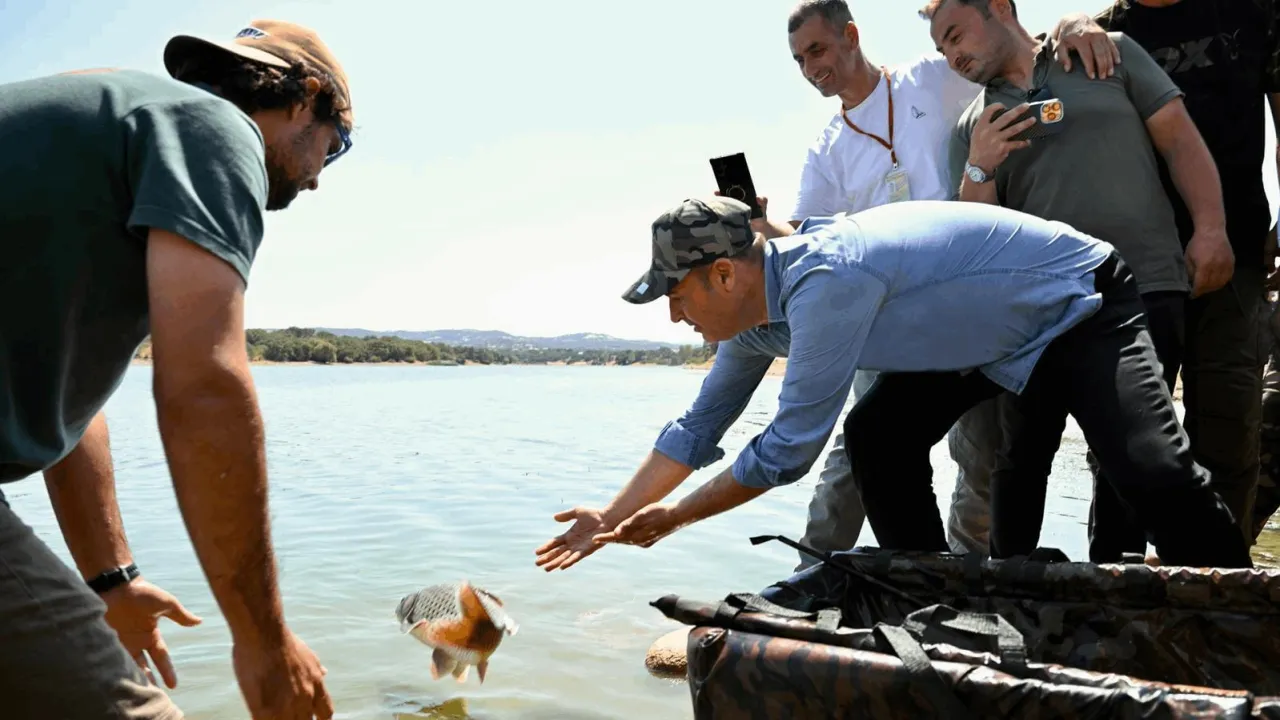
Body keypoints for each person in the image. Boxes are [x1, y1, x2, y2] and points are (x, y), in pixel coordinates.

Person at [534, 195, 1254, 573]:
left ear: (724, 274)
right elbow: (698, 428)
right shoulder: (752, 325)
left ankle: (1247, 615)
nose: (673, 315)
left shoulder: (826, 281)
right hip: (978, 340)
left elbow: (787, 450)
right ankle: (933, 592)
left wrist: (676, 518)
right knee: (877, 436)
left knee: (1151, 472)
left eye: (677, 295)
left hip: (1077, 301)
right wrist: (610, 515)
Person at [0, 19, 353, 720]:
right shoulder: (212, 127)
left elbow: (69, 407)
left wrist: (113, 580)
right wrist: (264, 642)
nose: (317, 179)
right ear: (304, 98)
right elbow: (206, 387)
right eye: (334, 145)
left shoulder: (109, 125)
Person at [738, 0, 1122, 568]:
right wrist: (758, 223)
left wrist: (1077, 24)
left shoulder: (934, 77)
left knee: (982, 455)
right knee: (859, 449)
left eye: (817, 50)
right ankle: (813, 576)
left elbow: (1012, 48)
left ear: (851, 35)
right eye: (798, 60)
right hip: (881, 318)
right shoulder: (826, 150)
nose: (810, 68)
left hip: (969, 305)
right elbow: (802, 241)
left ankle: (969, 581)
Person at [929, 0, 1235, 560]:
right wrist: (980, 166)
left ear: (998, 7)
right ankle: (1009, 587)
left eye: (955, 34)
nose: (952, 56)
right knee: (1021, 459)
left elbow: (1179, 141)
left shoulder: (1106, 53)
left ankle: (1115, 589)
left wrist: (1211, 228)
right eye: (941, 48)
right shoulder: (971, 127)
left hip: (1145, 287)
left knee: (1129, 459)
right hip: (1039, 316)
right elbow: (977, 240)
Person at [1089, 0, 1280, 549]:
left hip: (1235, 255)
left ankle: (1220, 583)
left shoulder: (1256, 12)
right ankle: (1113, 580)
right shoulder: (1103, 33)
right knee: (1125, 441)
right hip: (1134, 265)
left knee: (1228, 431)